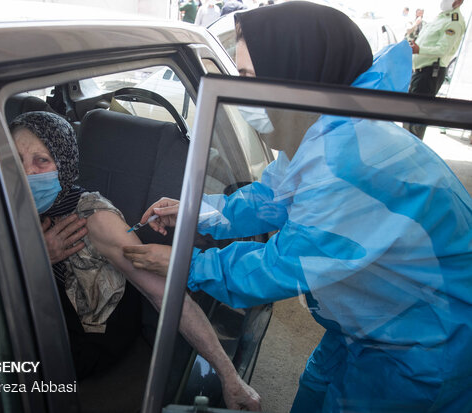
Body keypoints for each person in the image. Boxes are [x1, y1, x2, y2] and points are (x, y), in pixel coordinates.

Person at [123, 2, 472, 412]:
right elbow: (270, 198)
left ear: (297, 74)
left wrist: (186, 263)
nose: (243, 93)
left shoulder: (348, 166)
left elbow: (279, 267)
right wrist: (196, 212)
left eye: (250, 78)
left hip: (423, 343)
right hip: (366, 323)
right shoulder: (333, 131)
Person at [8, 111, 261, 411]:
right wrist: (35, 256)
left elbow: (162, 294)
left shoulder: (94, 218)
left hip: (86, 338)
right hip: (39, 314)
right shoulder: (6, 198)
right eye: (15, 160)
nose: (26, 174)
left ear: (64, 164)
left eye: (42, 161)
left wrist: (229, 375)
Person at [405, 0, 465, 139]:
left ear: (459, 1)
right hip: (419, 70)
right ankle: (406, 146)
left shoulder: (453, 21)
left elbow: (443, 48)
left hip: (430, 72)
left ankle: (412, 151)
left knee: (418, 114)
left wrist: (419, 49)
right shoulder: (440, 17)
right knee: (410, 112)